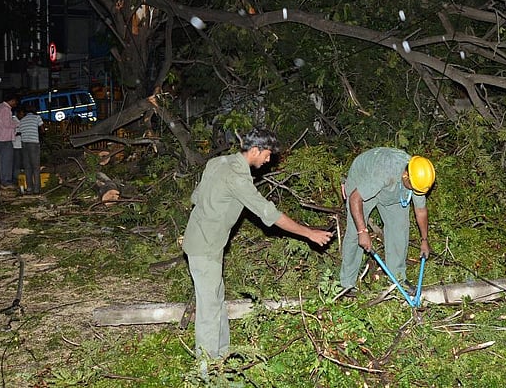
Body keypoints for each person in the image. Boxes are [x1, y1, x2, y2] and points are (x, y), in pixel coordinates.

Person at [182, 128, 333, 360]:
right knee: (209, 311)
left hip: (201, 241)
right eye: (268, 154)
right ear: (254, 150)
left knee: (216, 301)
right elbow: (269, 214)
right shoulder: (237, 178)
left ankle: (221, 359)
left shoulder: (217, 162)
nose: (269, 159)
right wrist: (309, 233)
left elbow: (196, 197)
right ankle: (209, 372)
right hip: (205, 248)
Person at [339, 148, 435, 295]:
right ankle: (347, 284)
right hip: (363, 180)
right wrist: (362, 231)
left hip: (392, 188)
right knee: (355, 234)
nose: (417, 193)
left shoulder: (418, 178)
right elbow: (355, 199)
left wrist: (424, 239)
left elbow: (421, 211)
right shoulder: (384, 172)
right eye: (414, 189)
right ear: (405, 175)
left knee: (399, 229)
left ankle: (397, 279)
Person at [17, 105, 43, 195]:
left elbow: (19, 131)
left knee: (27, 167)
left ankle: (29, 188)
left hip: (24, 144)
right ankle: (37, 189)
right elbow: (42, 128)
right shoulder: (37, 117)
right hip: (33, 143)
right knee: (36, 167)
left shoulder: (22, 120)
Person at [12, 109, 24, 194]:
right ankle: (16, 180)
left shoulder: (22, 121)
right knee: (16, 164)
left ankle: (21, 180)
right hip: (16, 145)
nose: (22, 116)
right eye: (21, 114)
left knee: (21, 164)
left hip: (22, 145)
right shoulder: (13, 120)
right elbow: (12, 133)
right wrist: (19, 133)